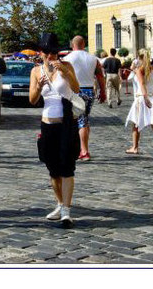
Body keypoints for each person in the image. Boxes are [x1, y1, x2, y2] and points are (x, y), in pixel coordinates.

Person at [28, 33, 80, 227]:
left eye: (54, 53)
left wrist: (66, 74)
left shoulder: (66, 66)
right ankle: (60, 203)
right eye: (47, 53)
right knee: (52, 169)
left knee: (67, 166)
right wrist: (38, 87)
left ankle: (67, 210)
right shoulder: (35, 71)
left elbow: (76, 89)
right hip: (47, 123)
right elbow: (32, 100)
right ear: (40, 53)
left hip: (66, 122)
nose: (51, 56)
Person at [63, 36, 105, 160]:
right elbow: (100, 76)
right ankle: (80, 148)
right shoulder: (93, 59)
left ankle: (84, 151)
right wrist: (103, 92)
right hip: (89, 91)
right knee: (84, 119)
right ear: (84, 44)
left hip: (74, 91)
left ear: (72, 45)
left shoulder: (67, 59)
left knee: (79, 121)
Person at [124, 50, 153, 159]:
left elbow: (142, 84)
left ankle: (135, 147)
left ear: (140, 58)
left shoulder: (140, 70)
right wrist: (151, 93)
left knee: (135, 122)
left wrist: (145, 96)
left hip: (142, 98)